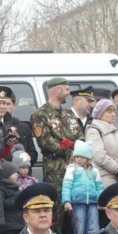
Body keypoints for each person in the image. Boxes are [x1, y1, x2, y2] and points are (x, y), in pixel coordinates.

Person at [31, 78, 84, 221]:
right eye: (66, 89)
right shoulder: (40, 115)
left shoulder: (69, 114)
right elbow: (45, 141)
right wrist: (70, 149)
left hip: (76, 168)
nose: (69, 93)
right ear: (57, 90)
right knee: (58, 209)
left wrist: (76, 149)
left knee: (78, 206)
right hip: (55, 170)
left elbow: (81, 136)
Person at [61, 141, 104, 234]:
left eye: (82, 157)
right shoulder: (72, 169)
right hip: (77, 203)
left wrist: (102, 199)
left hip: (93, 203)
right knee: (79, 228)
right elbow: (66, 186)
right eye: (77, 156)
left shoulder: (94, 170)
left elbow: (99, 186)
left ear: (88, 158)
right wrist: (66, 201)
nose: (79, 159)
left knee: (94, 227)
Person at [86, 99, 118, 187]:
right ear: (100, 114)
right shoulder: (94, 130)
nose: (113, 114)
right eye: (109, 111)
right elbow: (99, 155)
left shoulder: (114, 130)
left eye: (113, 111)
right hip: (103, 178)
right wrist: (117, 169)